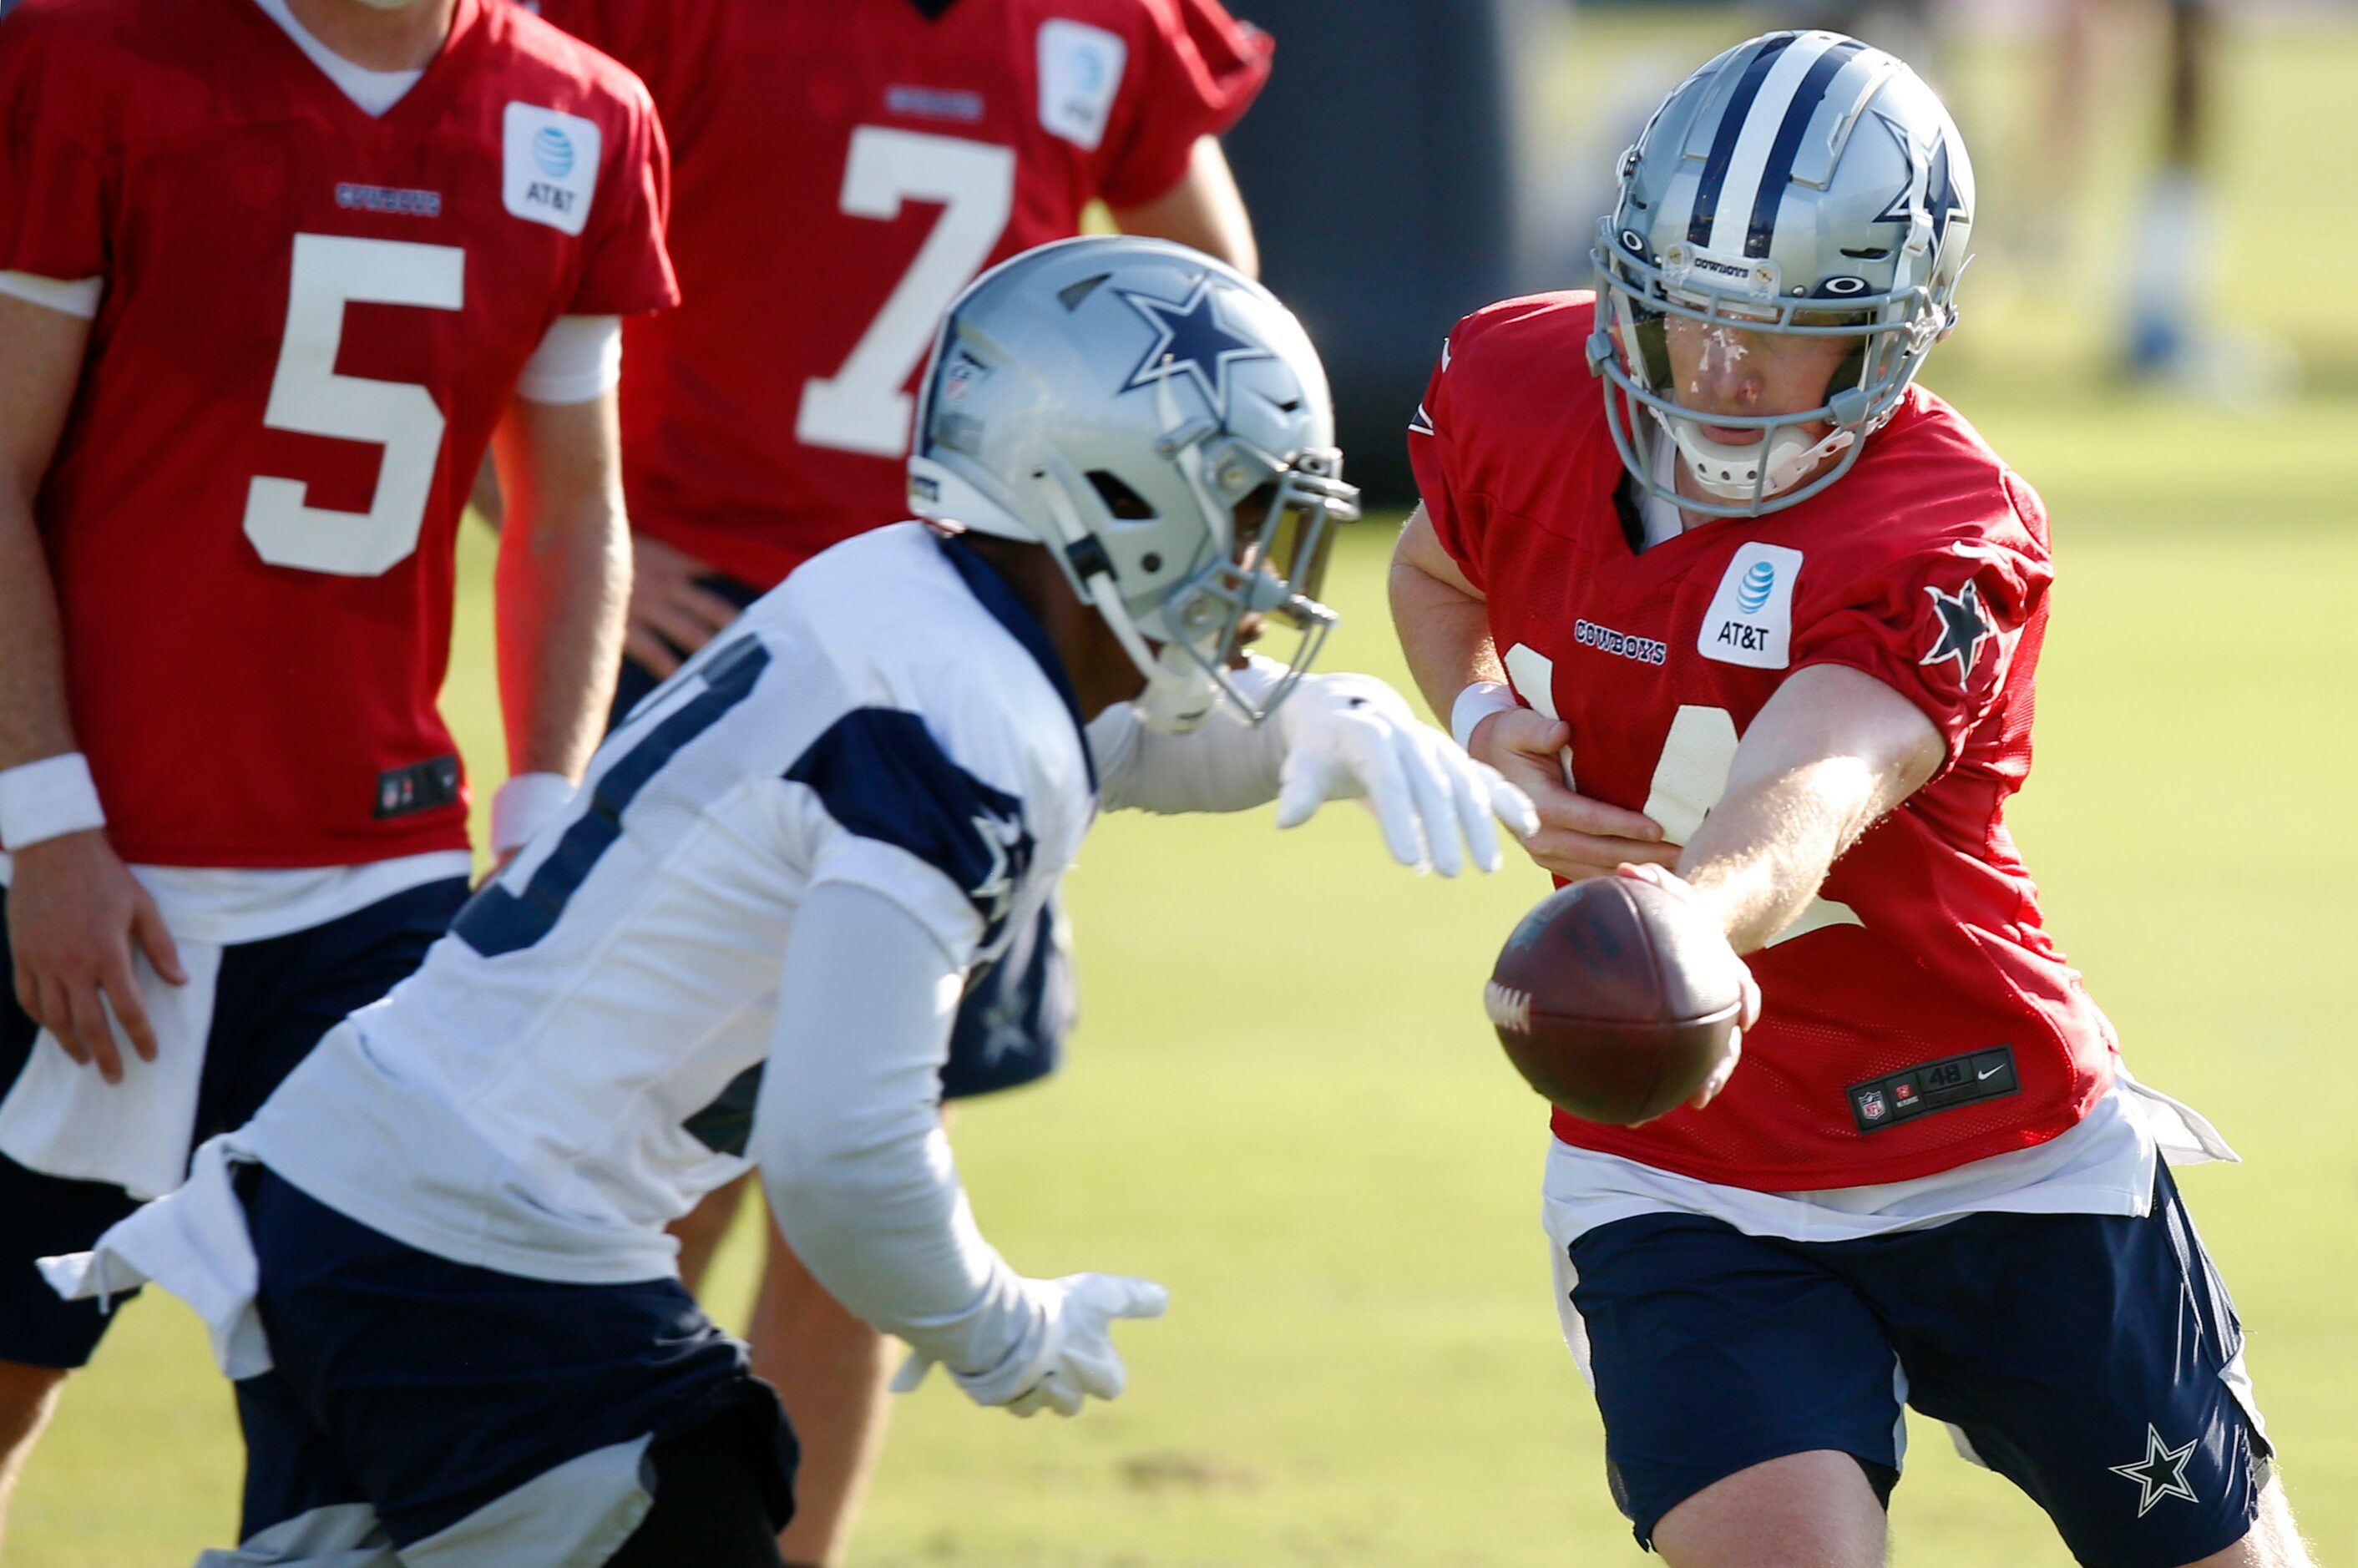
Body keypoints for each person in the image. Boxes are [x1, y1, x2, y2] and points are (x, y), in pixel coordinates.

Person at [45, 235, 1538, 1567]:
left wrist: (1323, 722)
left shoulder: (908, 591)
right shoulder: (961, 723)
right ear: (1109, 492)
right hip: (485, 1252)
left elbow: (1114, 738)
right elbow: (843, 1150)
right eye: (1241, 512)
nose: (1263, 572)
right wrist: (991, 1321)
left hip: (358, 1185)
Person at [1389, 32, 2315, 1568]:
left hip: (1990, 1132)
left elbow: (1811, 781)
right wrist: (1488, 724)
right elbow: (1436, 569)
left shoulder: (1946, 526)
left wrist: (1679, 921)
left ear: (1892, 332)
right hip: (1683, 1161)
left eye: (1787, 327)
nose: (1722, 367)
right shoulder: (1517, 380)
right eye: (1688, 309)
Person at [517, 4, 1274, 1556]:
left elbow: (1212, 303)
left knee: (853, 1201)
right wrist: (574, 532)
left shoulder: (1106, 26)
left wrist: (1212, 520)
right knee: (650, 1175)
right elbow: (501, 265)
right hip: (725, 638)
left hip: (969, 650)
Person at [0, 0, 673, 1540]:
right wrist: (44, 819)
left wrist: (548, 813)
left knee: (357, 1412)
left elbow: (569, 509)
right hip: (77, 859)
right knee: (8, 1364)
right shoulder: (97, 60)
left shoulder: (580, 114)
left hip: (378, 884)